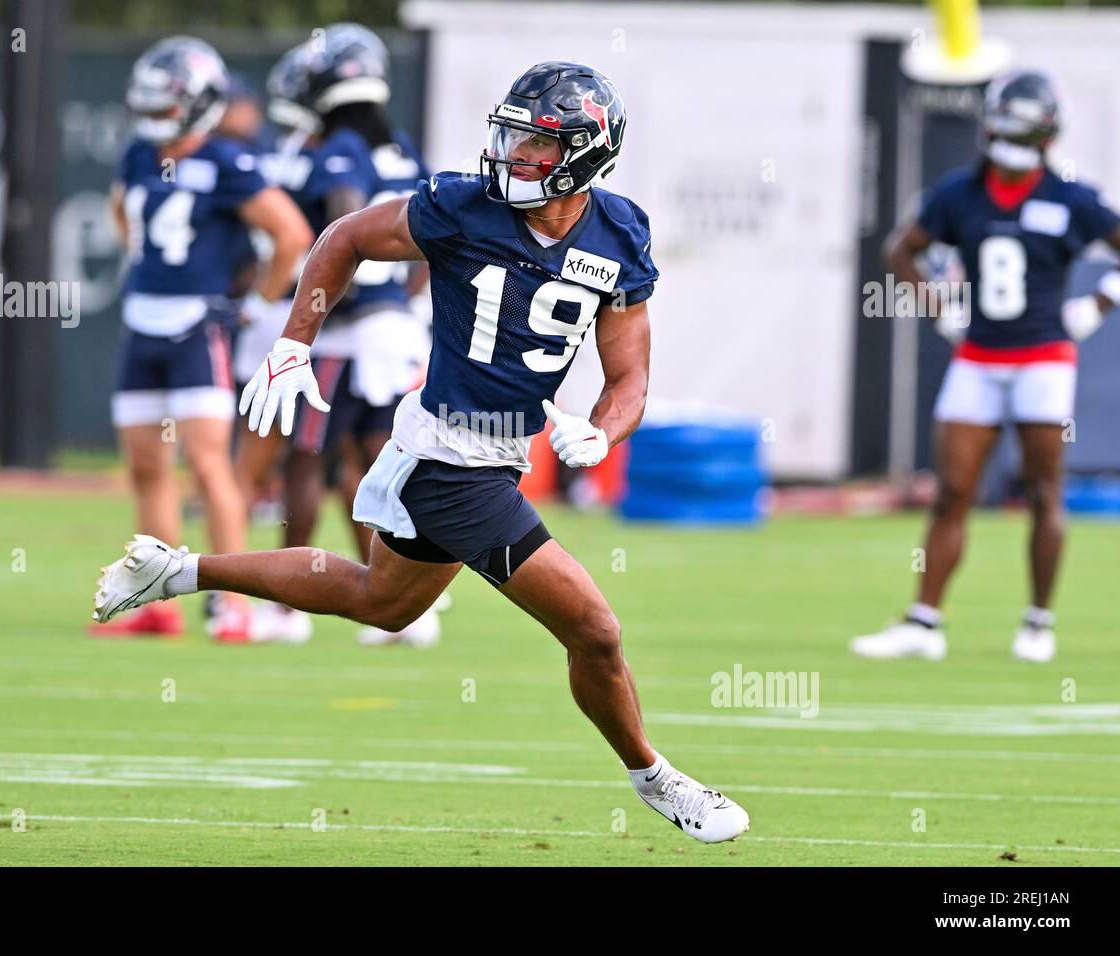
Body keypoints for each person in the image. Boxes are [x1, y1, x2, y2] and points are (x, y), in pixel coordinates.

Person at [93, 61, 750, 844]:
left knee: (383, 601)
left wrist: (603, 429)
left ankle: (176, 569)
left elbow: (631, 375)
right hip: (451, 461)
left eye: (534, 145)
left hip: (492, 454)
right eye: (509, 137)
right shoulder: (462, 208)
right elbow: (346, 237)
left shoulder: (619, 231)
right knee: (596, 631)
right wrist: (295, 342)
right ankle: (656, 777)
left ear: (583, 154)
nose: (511, 157)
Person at [854, 70, 1120, 663]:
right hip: (978, 355)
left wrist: (1096, 306)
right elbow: (900, 250)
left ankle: (1038, 623)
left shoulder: (1069, 198)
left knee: (1044, 490)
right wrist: (939, 310)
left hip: (1044, 358)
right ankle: (924, 623)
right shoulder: (960, 193)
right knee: (952, 493)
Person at [90, 36, 312, 638]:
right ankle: (157, 602)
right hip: (142, 321)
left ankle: (233, 601)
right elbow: (121, 213)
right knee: (146, 466)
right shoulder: (140, 155)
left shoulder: (228, 161)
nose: (158, 113)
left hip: (196, 327)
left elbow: (291, 233)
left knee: (211, 465)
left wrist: (252, 303)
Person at [239, 24, 438, 648]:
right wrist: (403, 301)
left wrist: (327, 301)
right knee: (376, 463)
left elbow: (345, 228)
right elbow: (434, 238)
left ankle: (287, 608)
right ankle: (404, 599)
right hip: (393, 330)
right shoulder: (403, 149)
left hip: (345, 332)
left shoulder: (341, 148)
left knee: (307, 458)